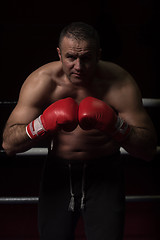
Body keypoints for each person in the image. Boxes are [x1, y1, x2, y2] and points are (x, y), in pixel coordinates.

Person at [2, 22, 157, 240]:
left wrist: (116, 126)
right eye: (71, 57)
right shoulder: (42, 82)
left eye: (86, 58)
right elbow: (9, 144)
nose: (78, 66)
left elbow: (148, 149)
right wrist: (43, 124)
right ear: (59, 54)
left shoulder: (119, 82)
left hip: (105, 173)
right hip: (58, 173)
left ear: (98, 55)